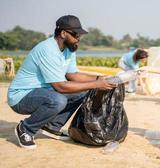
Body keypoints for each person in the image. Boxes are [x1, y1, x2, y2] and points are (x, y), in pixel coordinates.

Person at [7, 15, 116, 149]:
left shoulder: (69, 49)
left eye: (80, 35)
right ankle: (25, 128)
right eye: (76, 34)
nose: (79, 38)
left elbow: (72, 75)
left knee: (84, 91)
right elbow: (61, 87)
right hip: (21, 96)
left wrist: (100, 79)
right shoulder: (48, 50)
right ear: (63, 33)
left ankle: (52, 126)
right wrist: (96, 84)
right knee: (58, 100)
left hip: (44, 92)